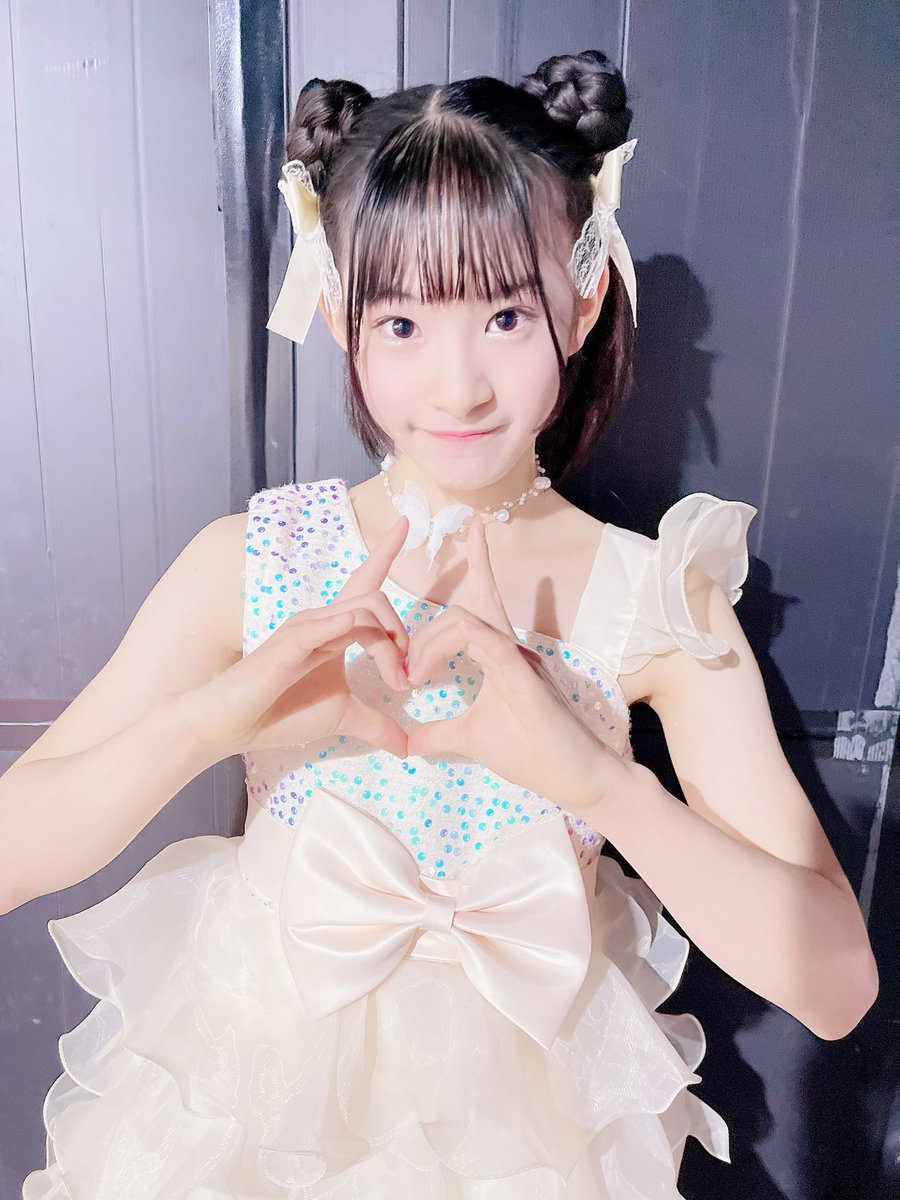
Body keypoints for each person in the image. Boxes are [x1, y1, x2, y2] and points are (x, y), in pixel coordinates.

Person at [7, 48, 877, 1200]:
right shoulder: (252, 561)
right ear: (340, 313)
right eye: (403, 323)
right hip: (247, 1115)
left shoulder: (657, 599)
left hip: (532, 1142)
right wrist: (214, 722)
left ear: (582, 298)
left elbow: (837, 986)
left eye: (506, 315)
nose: (457, 385)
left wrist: (601, 784)